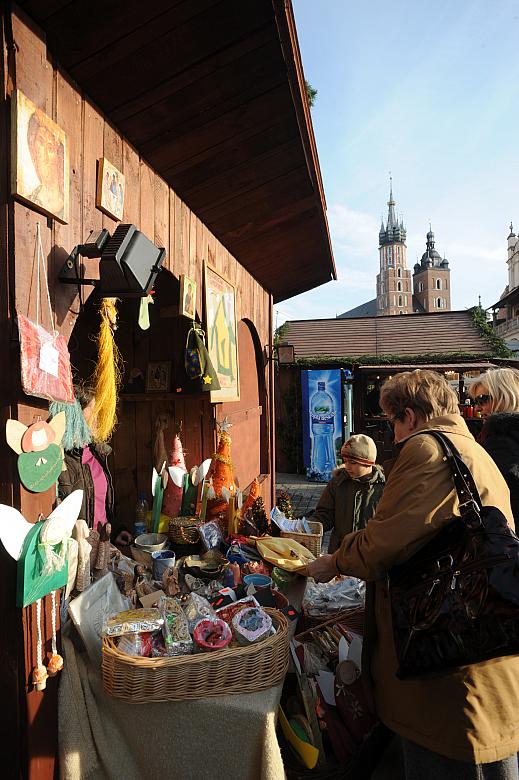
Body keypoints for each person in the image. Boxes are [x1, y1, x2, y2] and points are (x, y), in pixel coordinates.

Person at [303, 369, 519, 779]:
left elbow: (385, 541)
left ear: (411, 415)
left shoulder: (426, 448)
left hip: (447, 658)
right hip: (483, 649)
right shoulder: (471, 449)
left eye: (392, 420)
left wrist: (333, 562)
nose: (393, 432)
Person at [57, 383, 132, 548]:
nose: (98, 417)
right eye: (93, 410)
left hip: (103, 546)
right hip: (77, 553)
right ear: (75, 414)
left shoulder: (97, 453)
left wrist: (116, 530)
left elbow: (101, 507)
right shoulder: (61, 460)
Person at [311, 434, 385, 552]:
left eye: (353, 462)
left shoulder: (384, 488)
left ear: (368, 462)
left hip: (371, 556)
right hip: (340, 554)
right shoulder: (337, 483)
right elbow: (325, 514)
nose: (347, 466)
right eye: (345, 461)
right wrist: (309, 526)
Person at [469, 367, 519, 531]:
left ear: (504, 396)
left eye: (483, 399)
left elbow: (493, 490)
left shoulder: (501, 437)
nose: (477, 408)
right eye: (476, 401)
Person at [27, 110, 65, 220]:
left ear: (59, 158)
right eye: (40, 143)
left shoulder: (61, 203)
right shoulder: (33, 198)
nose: (44, 155)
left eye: (50, 148)